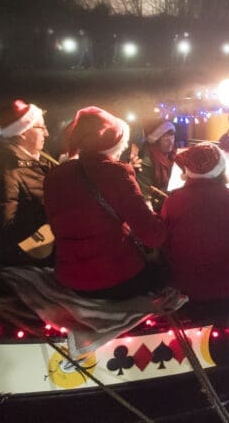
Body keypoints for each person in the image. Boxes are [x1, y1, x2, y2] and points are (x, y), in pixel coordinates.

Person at [44, 106, 166, 299]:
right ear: (113, 144)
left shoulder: (55, 175)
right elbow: (153, 236)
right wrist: (159, 215)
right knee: (166, 273)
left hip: (69, 278)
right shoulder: (116, 173)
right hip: (115, 278)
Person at [161, 143, 229, 302]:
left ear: (188, 172)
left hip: (185, 287)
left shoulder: (173, 201)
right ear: (222, 170)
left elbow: (165, 239)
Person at [0, 99, 56, 265]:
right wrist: (53, 213)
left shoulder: (40, 161)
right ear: (22, 132)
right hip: (30, 262)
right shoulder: (3, 168)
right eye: (41, 127)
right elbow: (2, 230)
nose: (46, 133)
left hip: (46, 256)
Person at [136, 118, 177, 212]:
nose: (171, 142)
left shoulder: (173, 155)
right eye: (165, 138)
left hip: (169, 202)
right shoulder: (146, 161)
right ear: (155, 140)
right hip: (157, 207)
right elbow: (144, 196)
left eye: (172, 136)